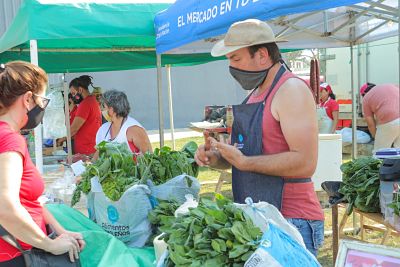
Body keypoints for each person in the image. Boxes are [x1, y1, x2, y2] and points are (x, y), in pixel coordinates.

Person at [194, 19, 324, 256]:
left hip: (291, 220)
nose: (231, 67)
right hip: (257, 218)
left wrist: (244, 162)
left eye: (236, 59)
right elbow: (245, 153)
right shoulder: (255, 94)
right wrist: (218, 156)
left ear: (262, 55)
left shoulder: (290, 90)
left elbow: (306, 162)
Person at [0, 61, 85, 266]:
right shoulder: (9, 140)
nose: (42, 107)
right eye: (42, 100)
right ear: (28, 99)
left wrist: (60, 232)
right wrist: (48, 244)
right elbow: (5, 206)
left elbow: (30, 199)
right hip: (16, 255)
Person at [94, 90, 152, 159]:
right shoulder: (103, 129)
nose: (101, 110)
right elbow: (97, 156)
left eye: (104, 107)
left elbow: (149, 155)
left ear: (111, 109)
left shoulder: (133, 129)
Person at [57, 75, 102, 157]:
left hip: (87, 151)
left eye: (74, 93)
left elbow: (74, 129)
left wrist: (61, 139)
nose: (73, 96)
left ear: (80, 90)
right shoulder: (93, 100)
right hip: (92, 148)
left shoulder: (85, 104)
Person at [360, 82, 400, 151]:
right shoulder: (391, 85)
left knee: (379, 152)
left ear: (364, 94)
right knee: (398, 151)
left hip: (389, 121)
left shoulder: (366, 98)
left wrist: (376, 137)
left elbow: (370, 123)